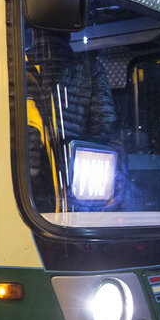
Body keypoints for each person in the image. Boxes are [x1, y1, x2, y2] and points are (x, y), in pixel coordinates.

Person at [24, 29, 116, 210]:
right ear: (69, 34)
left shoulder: (15, 66)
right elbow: (104, 125)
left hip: (25, 181)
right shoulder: (90, 68)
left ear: (34, 33)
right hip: (74, 183)